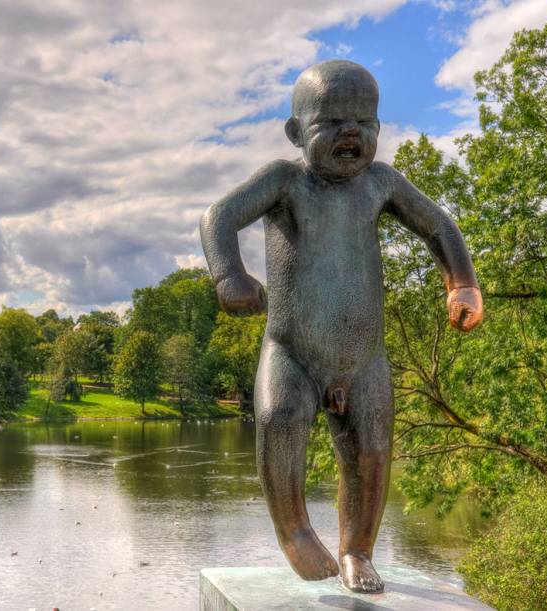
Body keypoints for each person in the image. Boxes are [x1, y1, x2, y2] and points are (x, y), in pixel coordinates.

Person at [199, 60, 483, 593]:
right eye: (330, 122)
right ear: (294, 133)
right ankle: (296, 531)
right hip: (292, 352)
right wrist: (229, 275)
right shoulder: (285, 181)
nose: (350, 132)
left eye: (364, 122)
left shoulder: (379, 184)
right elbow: (218, 217)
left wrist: (462, 283)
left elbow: (438, 225)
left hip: (364, 358)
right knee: (279, 419)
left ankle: (358, 550)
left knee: (372, 452)